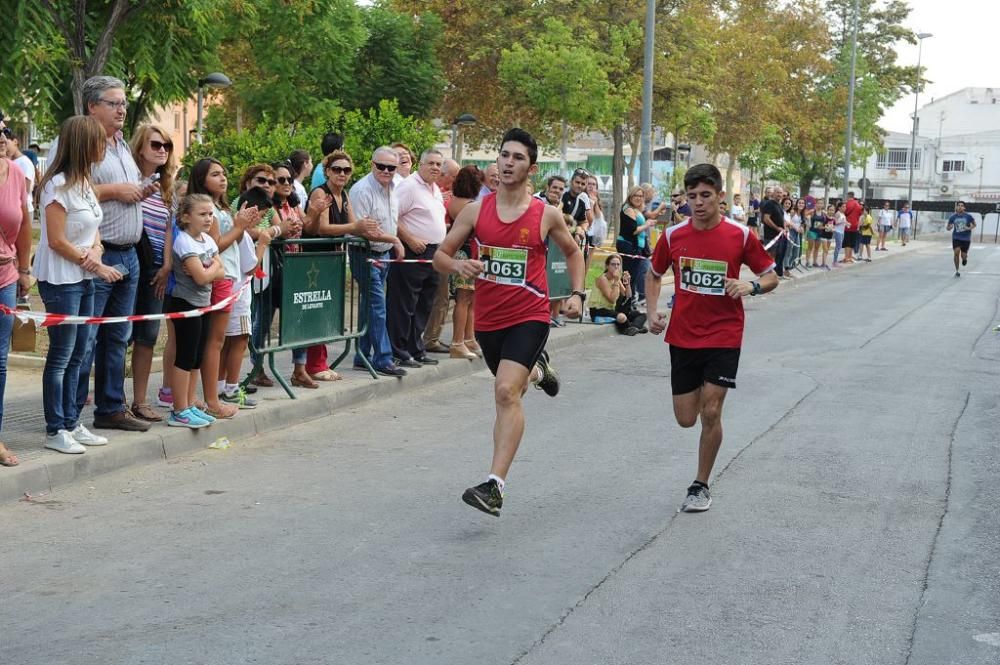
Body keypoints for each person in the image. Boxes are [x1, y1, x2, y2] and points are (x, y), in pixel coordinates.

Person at [433, 127, 585, 517]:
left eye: (517, 157)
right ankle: (539, 370)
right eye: (504, 155)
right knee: (512, 388)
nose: (508, 162)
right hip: (489, 319)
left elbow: (573, 252)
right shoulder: (475, 210)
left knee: (503, 392)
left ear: (530, 167)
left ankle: (494, 485)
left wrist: (577, 293)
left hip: (529, 314)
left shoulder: (545, 213)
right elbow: (441, 255)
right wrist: (459, 264)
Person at [645, 163, 778, 513]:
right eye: (692, 197)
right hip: (683, 335)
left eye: (706, 196)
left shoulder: (740, 235)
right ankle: (701, 416)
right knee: (686, 418)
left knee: (712, 410)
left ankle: (700, 484)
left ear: (720, 196)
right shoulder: (674, 236)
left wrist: (749, 286)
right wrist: (652, 312)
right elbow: (654, 273)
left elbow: (771, 276)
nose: (699, 203)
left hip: (724, 334)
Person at [35, 116, 120, 455]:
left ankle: (72, 421)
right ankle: (55, 428)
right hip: (61, 280)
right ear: (85, 145)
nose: (105, 146)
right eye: (100, 141)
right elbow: (56, 240)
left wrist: (97, 250)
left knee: (81, 353)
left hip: (84, 278)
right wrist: (96, 264)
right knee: (62, 355)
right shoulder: (56, 186)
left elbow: (93, 226)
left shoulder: (84, 181)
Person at [78, 76, 155, 432]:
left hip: (129, 255)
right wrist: (114, 191)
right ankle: (68, 414)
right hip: (99, 255)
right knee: (86, 336)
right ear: (92, 106)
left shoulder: (122, 144)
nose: (122, 109)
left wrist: (140, 190)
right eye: (113, 103)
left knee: (118, 338)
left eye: (123, 103)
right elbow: (67, 188)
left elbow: (126, 190)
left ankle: (110, 408)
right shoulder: (81, 142)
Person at [189, 158, 260, 417]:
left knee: (214, 341)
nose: (223, 178)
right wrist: (239, 226)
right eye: (215, 174)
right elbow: (214, 246)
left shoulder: (221, 207)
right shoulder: (207, 209)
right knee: (214, 342)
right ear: (201, 179)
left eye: (224, 173)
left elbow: (230, 241)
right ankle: (212, 400)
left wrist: (243, 225)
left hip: (229, 276)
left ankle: (203, 397)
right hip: (220, 277)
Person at [126, 124, 177, 422]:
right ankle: (114, 399)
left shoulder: (166, 185)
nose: (162, 150)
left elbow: (169, 228)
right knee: (120, 335)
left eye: (166, 146)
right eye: (156, 144)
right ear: (140, 147)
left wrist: (167, 265)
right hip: (132, 262)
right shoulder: (130, 180)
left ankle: (141, 400)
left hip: (158, 268)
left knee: (147, 336)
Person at [165, 194, 225, 428]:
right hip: (185, 304)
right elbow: (201, 278)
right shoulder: (184, 242)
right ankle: (178, 409)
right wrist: (212, 268)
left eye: (210, 214)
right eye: (202, 214)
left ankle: (189, 404)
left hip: (203, 304)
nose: (209, 218)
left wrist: (210, 268)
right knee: (185, 357)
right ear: (186, 217)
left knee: (197, 357)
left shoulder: (208, 241)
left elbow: (221, 271)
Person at [347, 147, 407, 377]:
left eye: (391, 167)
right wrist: (394, 239)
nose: (386, 171)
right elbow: (363, 230)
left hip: (384, 253)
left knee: (369, 307)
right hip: (364, 252)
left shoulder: (394, 187)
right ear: (372, 164)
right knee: (377, 306)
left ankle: (362, 355)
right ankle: (383, 358)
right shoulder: (362, 189)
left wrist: (392, 241)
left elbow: (390, 221)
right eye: (381, 166)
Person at [387, 149, 447, 368]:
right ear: (419, 164)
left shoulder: (435, 189)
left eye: (439, 164)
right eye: (430, 163)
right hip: (412, 251)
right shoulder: (409, 186)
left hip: (433, 251)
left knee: (424, 303)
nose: (435, 167)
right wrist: (409, 239)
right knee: (404, 304)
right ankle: (399, 350)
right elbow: (392, 216)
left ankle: (415, 348)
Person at [0, 124, 35, 463]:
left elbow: (24, 224)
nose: (0, 137)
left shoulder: (14, 171)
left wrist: (24, 270)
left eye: (3, 130)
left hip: (6, 278)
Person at [271, 161, 315, 388]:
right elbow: (283, 231)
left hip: (295, 268)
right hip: (274, 268)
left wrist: (315, 212)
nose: (287, 183)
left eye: (289, 179)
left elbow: (306, 224)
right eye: (281, 180)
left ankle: (299, 369)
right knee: (264, 321)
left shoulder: (293, 203)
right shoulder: (270, 206)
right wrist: (290, 228)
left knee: (300, 317)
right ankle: (258, 368)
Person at [423, 158, 462, 355]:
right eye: (454, 176)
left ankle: (430, 336)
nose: (456, 180)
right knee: (440, 296)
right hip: (434, 249)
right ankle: (430, 338)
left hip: (441, 249)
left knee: (441, 295)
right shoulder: (436, 193)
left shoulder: (442, 194)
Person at [445, 165, 482, 359]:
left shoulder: (458, 201)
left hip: (467, 253)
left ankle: (469, 337)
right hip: (464, 254)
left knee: (470, 299)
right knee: (464, 299)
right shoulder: (466, 205)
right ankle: (457, 341)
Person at [589, 254, 646, 335]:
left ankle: (635, 327)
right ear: (607, 266)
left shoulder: (617, 278)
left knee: (641, 315)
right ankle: (628, 329)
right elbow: (612, 299)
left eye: (618, 264)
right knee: (622, 317)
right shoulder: (602, 279)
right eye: (613, 264)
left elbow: (628, 296)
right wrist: (616, 281)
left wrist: (627, 283)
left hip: (611, 310)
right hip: (599, 310)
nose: (616, 267)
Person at [617, 186, 656, 296]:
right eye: (636, 195)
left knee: (633, 276)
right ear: (630, 196)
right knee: (629, 276)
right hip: (628, 245)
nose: (638, 198)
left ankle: (630, 301)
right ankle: (625, 301)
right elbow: (633, 231)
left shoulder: (636, 209)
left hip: (636, 247)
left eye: (641, 196)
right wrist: (647, 224)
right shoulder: (628, 209)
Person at [3, 129, 35, 221]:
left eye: (6, 143)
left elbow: (25, 189)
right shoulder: (10, 162)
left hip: (24, 209)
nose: (4, 147)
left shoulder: (24, 162)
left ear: (15, 142)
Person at [759, 186, 786, 277]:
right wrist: (776, 228)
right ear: (773, 193)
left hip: (779, 235)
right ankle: (766, 277)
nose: (779, 194)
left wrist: (784, 228)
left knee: (775, 256)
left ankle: (771, 277)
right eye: (777, 192)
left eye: (780, 193)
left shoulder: (779, 205)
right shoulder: (769, 204)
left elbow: (781, 219)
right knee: (770, 256)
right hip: (771, 236)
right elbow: (766, 219)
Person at [947, 200, 976, 277]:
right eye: (958, 205)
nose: (960, 207)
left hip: (966, 239)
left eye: (961, 205)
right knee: (956, 252)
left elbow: (974, 225)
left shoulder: (968, 216)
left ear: (964, 208)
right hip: (956, 237)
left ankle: (964, 259)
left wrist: (968, 228)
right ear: (956, 207)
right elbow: (948, 227)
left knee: (963, 255)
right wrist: (950, 227)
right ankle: (957, 270)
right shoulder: (953, 217)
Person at [842, 191, 862, 264]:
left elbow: (844, 212)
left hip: (847, 225)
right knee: (852, 242)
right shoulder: (858, 204)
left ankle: (846, 258)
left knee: (847, 242)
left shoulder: (847, 204)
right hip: (855, 225)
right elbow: (860, 214)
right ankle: (850, 257)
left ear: (848, 196)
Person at [831, 201, 847, 266]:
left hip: (842, 231)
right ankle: (834, 262)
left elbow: (844, 222)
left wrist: (847, 223)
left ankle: (835, 261)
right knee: (838, 246)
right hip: (837, 231)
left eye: (845, 206)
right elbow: (835, 222)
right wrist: (841, 222)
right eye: (843, 206)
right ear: (839, 207)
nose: (845, 208)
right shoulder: (837, 213)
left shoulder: (843, 214)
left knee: (840, 246)